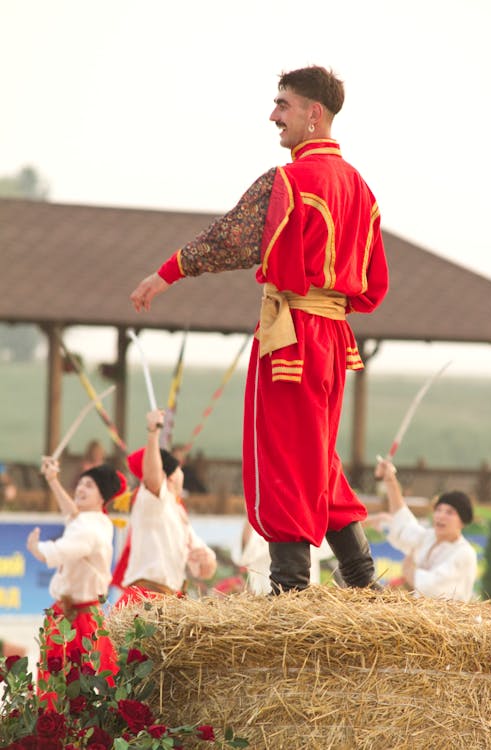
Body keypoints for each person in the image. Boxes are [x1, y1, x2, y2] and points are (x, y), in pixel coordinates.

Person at [130, 66, 389, 594]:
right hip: (333, 336)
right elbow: (373, 284)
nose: (273, 115)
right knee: (315, 455)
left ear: (314, 114)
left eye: (283, 105)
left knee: (282, 459)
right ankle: (362, 578)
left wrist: (165, 273)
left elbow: (227, 238)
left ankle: (291, 590)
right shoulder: (361, 188)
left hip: (291, 334)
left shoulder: (290, 181)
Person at [26, 457, 126, 700]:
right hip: (79, 616)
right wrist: (53, 480)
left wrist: (38, 549)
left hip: (76, 621)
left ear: (102, 496)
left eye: (89, 485)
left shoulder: (89, 529)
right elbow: (73, 515)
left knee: (64, 684)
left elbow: (65, 548)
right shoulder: (98, 521)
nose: (80, 489)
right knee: (92, 682)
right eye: (80, 483)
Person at [114, 408, 217, 606]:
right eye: (179, 469)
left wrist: (207, 562)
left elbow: (205, 569)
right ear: (169, 476)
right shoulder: (152, 500)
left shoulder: (178, 512)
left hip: (168, 601)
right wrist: (153, 432)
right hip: (144, 599)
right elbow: (152, 477)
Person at [373, 457, 477, 601]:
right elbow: (403, 522)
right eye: (439, 510)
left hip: (447, 618)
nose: (441, 516)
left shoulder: (464, 553)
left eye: (450, 512)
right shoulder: (428, 537)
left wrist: (410, 572)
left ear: (462, 521)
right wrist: (390, 480)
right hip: (423, 614)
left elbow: (435, 589)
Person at [231, 520, 336, 595]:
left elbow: (328, 546)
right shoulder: (261, 525)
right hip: (270, 605)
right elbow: (244, 553)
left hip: (308, 603)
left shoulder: (306, 521)